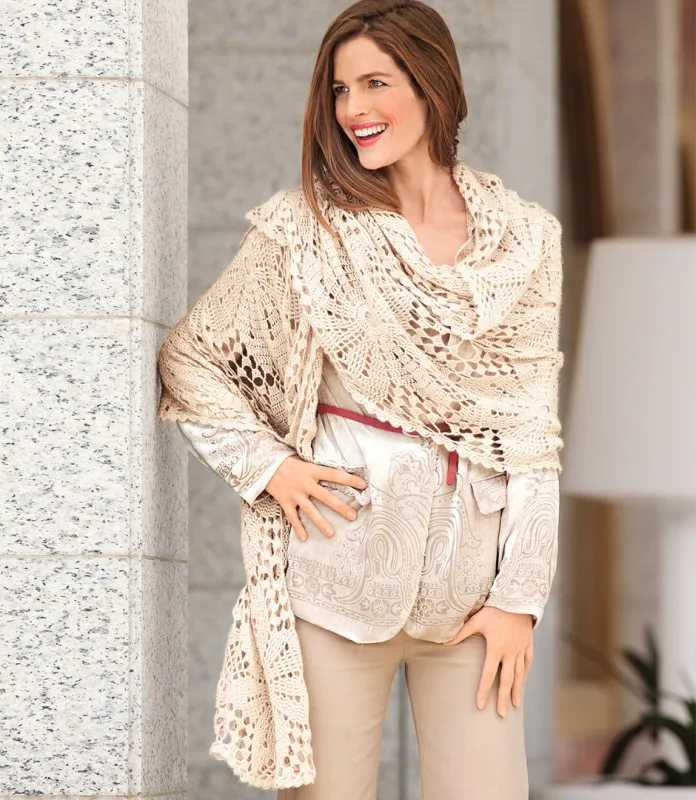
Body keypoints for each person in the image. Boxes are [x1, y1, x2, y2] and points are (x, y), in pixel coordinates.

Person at [156, 1, 563, 798]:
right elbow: (192, 359)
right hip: (336, 582)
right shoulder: (306, 231)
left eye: (376, 83)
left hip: (472, 602)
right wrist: (270, 467)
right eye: (341, 89)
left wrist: (519, 600)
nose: (353, 109)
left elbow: (531, 434)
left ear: (432, 82)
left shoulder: (526, 241)